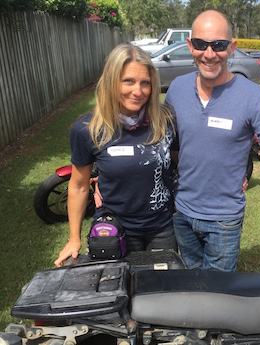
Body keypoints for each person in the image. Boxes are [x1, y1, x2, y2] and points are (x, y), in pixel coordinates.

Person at [165, 9, 260, 272]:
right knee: (191, 288)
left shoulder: (253, 97)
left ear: (232, 47)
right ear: (191, 45)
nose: (209, 54)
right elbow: (168, 146)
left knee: (219, 299)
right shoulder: (177, 89)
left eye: (219, 45)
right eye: (201, 44)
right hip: (182, 214)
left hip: (223, 221)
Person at [54, 43, 177, 267]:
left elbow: (176, 162)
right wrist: (74, 239)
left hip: (162, 227)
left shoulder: (165, 119)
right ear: (112, 81)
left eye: (145, 83)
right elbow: (78, 186)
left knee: (159, 293)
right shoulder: (87, 128)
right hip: (116, 230)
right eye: (128, 81)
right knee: (119, 293)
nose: (137, 91)